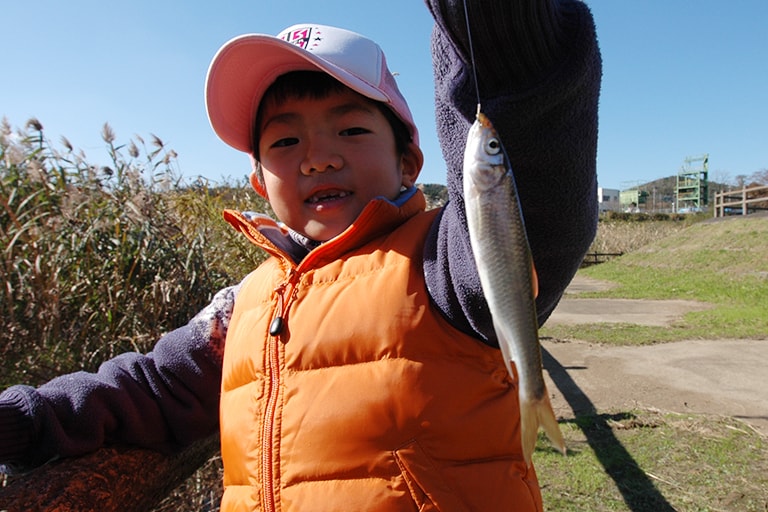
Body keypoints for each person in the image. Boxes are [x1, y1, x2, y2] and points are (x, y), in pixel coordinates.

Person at [0, 0, 601, 510]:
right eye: (285, 140)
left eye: (351, 129)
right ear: (260, 182)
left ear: (410, 163)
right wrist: (22, 418)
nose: (317, 157)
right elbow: (150, 388)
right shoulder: (240, 309)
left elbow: (535, 147)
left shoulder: (444, 269)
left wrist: (498, 27)